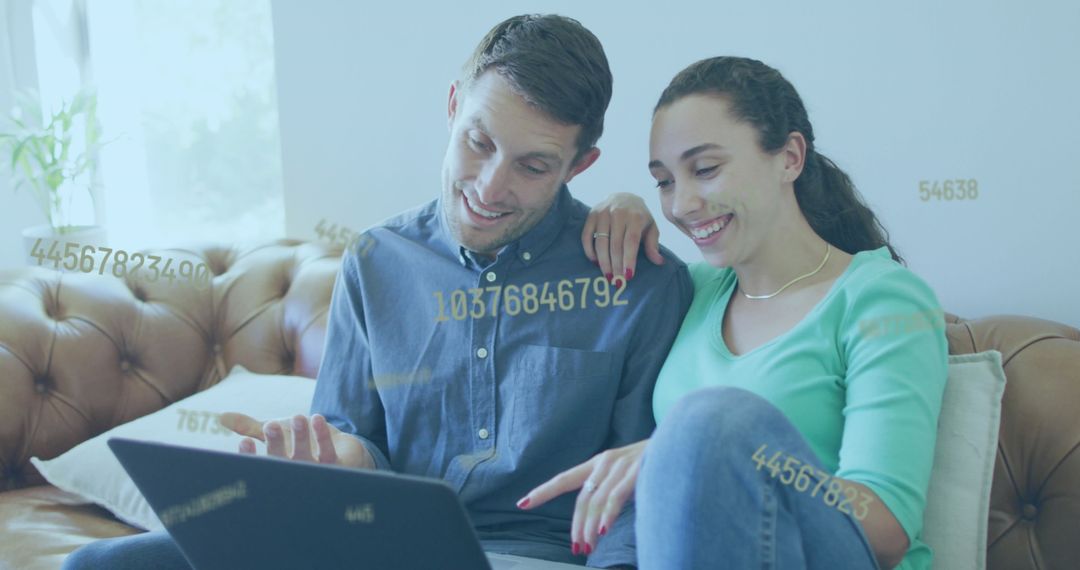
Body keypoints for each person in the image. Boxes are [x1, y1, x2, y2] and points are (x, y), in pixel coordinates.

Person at [62, 14, 691, 570]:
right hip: (370, 546)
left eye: (533, 166)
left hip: (534, 554)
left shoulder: (639, 281)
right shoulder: (376, 259)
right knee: (99, 565)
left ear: (579, 165)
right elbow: (351, 435)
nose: (491, 186)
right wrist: (337, 457)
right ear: (452, 107)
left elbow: (643, 483)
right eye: (479, 142)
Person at [520, 56, 948, 570]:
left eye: (704, 170)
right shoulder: (690, 290)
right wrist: (619, 208)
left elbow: (886, 526)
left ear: (789, 157)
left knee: (712, 420)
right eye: (664, 181)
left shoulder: (883, 299)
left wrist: (695, 453)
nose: (681, 205)